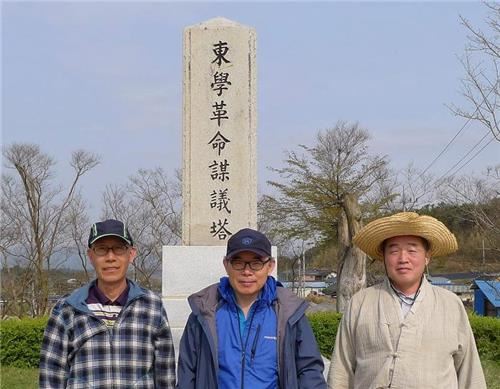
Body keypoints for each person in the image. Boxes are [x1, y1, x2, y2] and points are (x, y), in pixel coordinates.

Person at [328, 212, 486, 389]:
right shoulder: (360, 303)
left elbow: (469, 372)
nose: (403, 259)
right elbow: (341, 372)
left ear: (427, 257)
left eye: (412, 250)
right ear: (384, 257)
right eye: (394, 251)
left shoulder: (450, 304)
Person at [176, 228, 327, 389]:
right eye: (238, 263)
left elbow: (309, 371)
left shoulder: (289, 313)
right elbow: (187, 375)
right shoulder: (204, 311)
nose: (247, 272)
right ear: (226, 265)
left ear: (270, 265)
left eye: (256, 263)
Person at [39, 219, 176, 389]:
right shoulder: (67, 309)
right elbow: (51, 376)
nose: (110, 258)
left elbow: (165, 375)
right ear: (91, 256)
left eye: (119, 248)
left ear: (131, 254)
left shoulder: (152, 307)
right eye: (102, 249)